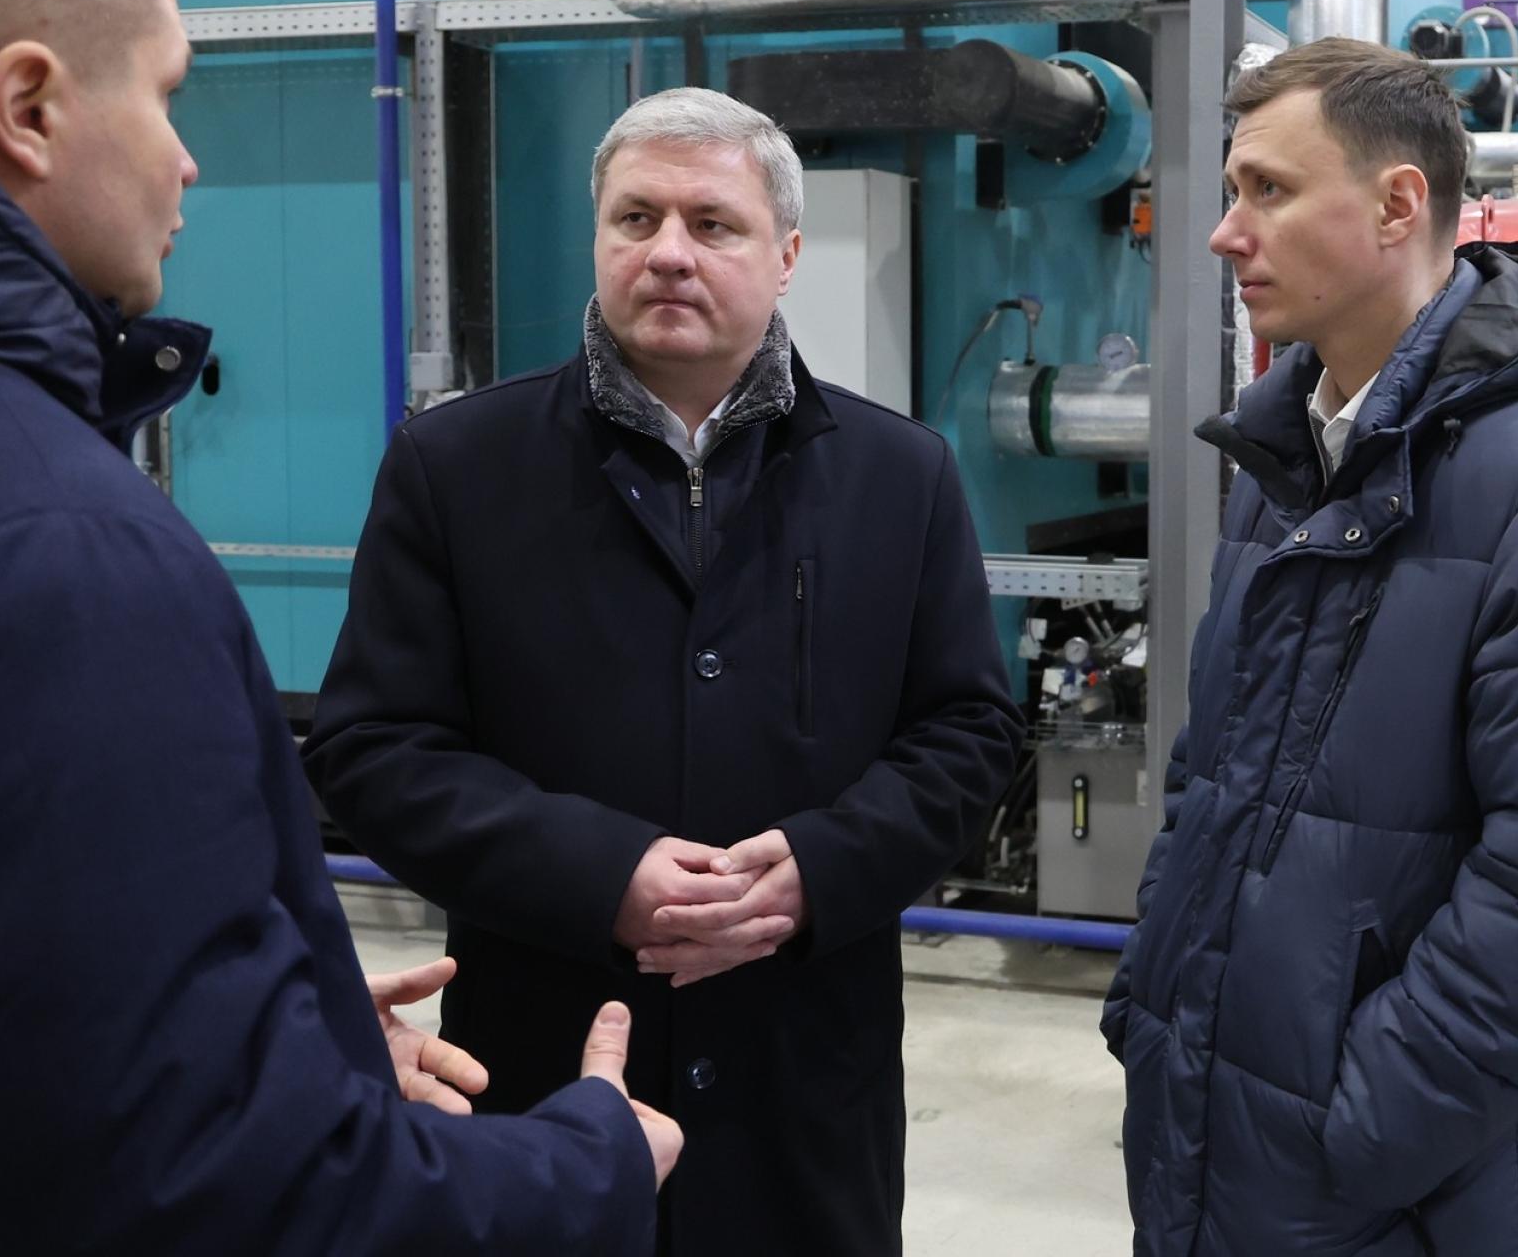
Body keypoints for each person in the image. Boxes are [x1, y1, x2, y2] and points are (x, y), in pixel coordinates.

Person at [0, 0, 677, 1254]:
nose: (186, 160)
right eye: (167, 94)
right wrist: (586, 1166)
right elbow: (208, 1204)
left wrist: (263, 1032)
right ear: (29, 107)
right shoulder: (30, 549)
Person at [302, 86, 1027, 1257]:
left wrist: (820, 871)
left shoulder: (901, 477)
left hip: (802, 1087)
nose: (669, 253)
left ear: (786, 255)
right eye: (635, 219)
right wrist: (602, 875)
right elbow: (372, 748)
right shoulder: (457, 468)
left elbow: (968, 732)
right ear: (596, 239)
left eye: (713, 223)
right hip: (542, 1073)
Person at [1104, 38, 1518, 1257]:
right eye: (1232, 191)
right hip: (1230, 1133)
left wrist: (1362, 1123)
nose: (1224, 233)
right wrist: (1155, 1004)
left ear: (1395, 205)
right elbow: (1210, 780)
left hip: (1416, 1192)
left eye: (1267, 190)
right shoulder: (1288, 460)